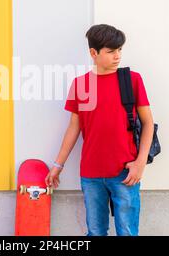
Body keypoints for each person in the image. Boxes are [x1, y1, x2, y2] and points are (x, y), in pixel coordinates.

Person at [45, 24, 154, 236]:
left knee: (127, 232)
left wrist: (140, 163)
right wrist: (58, 165)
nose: (118, 56)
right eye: (111, 51)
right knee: (95, 232)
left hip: (125, 171)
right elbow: (74, 128)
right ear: (93, 53)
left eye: (120, 50)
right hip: (91, 174)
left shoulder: (131, 80)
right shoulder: (82, 85)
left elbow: (148, 123)